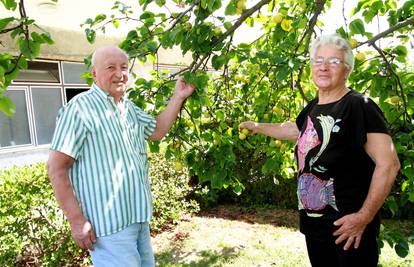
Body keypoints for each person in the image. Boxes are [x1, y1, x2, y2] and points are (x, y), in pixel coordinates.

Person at [239, 34, 400, 267]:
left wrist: (363, 217)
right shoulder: (313, 107)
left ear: (347, 70)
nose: (324, 67)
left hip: (348, 232)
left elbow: (389, 163)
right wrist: (257, 126)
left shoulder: (359, 105)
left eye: (334, 62)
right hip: (314, 227)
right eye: (318, 60)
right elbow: (295, 129)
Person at [47, 45, 195, 267]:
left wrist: (178, 97)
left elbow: (157, 131)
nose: (119, 73)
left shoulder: (128, 108)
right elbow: (56, 168)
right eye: (110, 67)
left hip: (138, 217)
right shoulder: (79, 109)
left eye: (124, 67)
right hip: (108, 227)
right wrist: (77, 221)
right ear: (94, 73)